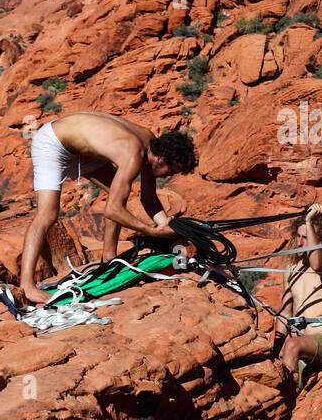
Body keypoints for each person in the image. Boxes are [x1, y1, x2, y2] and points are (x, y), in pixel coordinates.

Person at [21, 111, 197, 305]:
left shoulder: (149, 142)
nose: (168, 176)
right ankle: (27, 286)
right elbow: (112, 210)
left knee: (118, 191)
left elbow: (148, 198)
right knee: (48, 215)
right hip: (52, 142)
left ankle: (109, 257)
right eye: (170, 171)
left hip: (80, 148)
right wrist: (152, 232)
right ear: (161, 158)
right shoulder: (133, 154)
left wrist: (167, 225)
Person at [277, 203, 322, 389]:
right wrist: (273, 351)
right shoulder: (291, 269)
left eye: (306, 238)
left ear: (320, 241)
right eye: (298, 236)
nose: (300, 243)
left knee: (292, 346)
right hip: (304, 344)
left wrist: (309, 220)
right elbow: (285, 312)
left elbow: (317, 265)